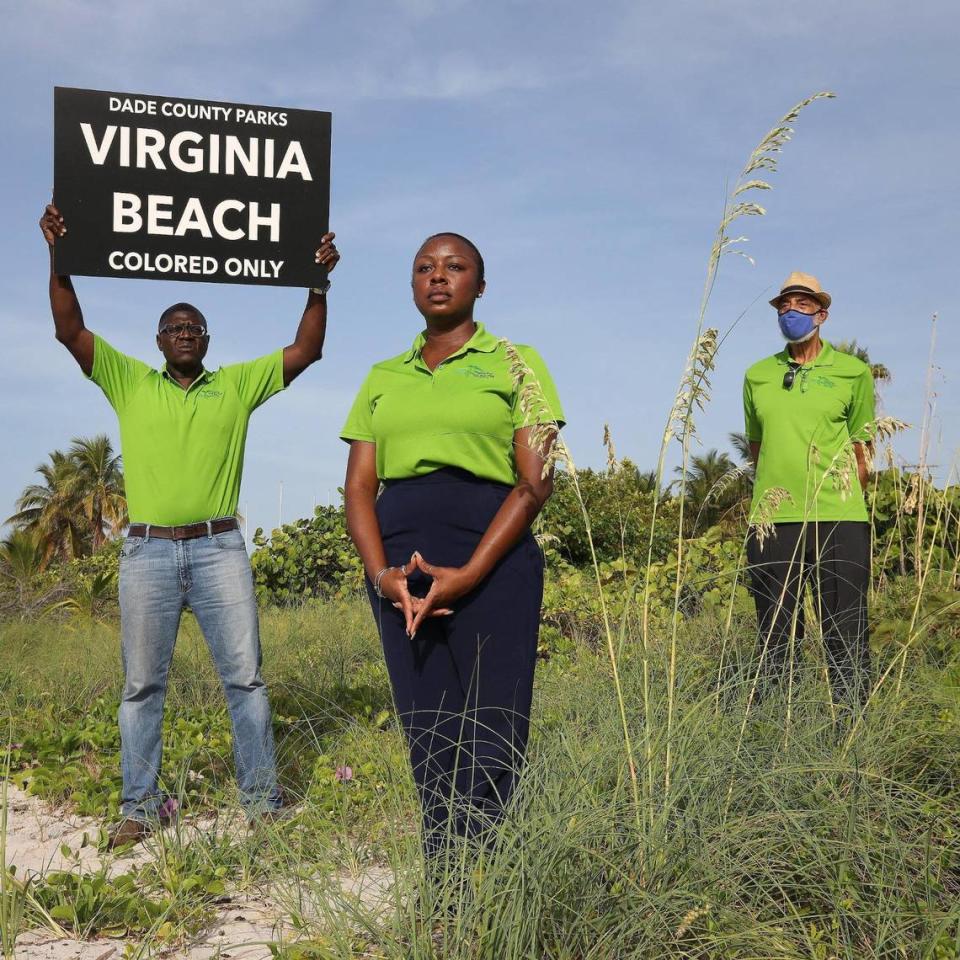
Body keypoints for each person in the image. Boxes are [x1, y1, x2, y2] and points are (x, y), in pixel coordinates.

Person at [39, 202, 340, 846]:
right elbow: (71, 330)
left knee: (246, 678)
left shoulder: (234, 386)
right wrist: (59, 257)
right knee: (142, 685)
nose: (184, 332)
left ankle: (261, 801)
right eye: (173, 326)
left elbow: (307, 349)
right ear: (157, 340)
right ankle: (139, 808)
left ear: (207, 340)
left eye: (194, 326)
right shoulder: (129, 382)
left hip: (219, 549)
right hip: (146, 553)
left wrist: (317, 282)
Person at [341, 232, 564, 859]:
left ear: (480, 285)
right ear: (412, 285)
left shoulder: (517, 362)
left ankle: (494, 883)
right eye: (424, 268)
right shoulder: (383, 376)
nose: (438, 277)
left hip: (493, 559)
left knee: (494, 727)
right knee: (428, 728)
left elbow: (534, 481)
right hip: (401, 569)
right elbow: (359, 487)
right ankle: (445, 886)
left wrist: (469, 573)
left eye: (455, 266)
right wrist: (380, 573)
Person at [742, 271, 875, 707]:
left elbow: (863, 451)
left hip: (839, 517)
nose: (791, 313)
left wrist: (835, 497)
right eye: (785, 305)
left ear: (823, 313)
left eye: (802, 304)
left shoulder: (853, 373)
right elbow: (757, 449)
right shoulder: (757, 376)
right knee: (775, 636)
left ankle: (853, 735)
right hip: (773, 520)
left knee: (846, 631)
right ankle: (773, 731)